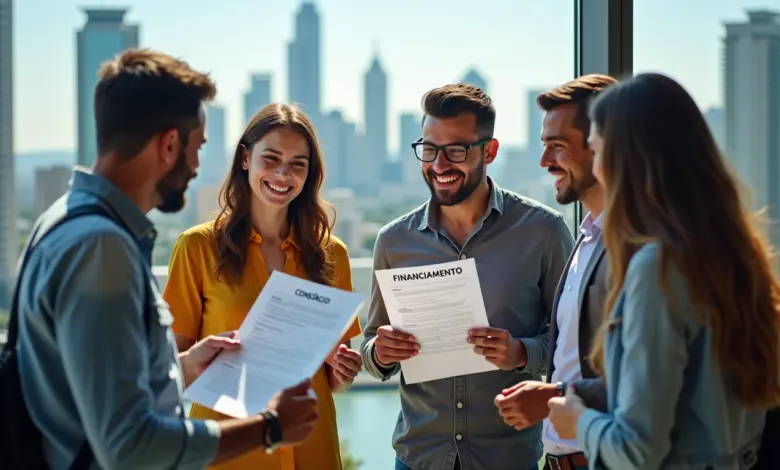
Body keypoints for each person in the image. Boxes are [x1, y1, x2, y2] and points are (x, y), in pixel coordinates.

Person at [15, 49, 319, 470]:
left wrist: (183, 369)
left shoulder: (63, 220)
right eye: (198, 148)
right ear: (170, 144)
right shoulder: (101, 249)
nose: (197, 167)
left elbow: (94, 387)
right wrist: (270, 428)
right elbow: (128, 446)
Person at [547, 73, 780, 469]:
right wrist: (577, 392)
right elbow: (698, 392)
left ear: (625, 161)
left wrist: (576, 420)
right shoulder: (732, 254)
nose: (597, 166)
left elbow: (636, 450)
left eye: (597, 149)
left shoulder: (657, 269)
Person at [361, 83, 574, 470]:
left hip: (508, 459)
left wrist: (522, 352)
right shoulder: (394, 241)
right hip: (417, 459)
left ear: (488, 151)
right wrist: (380, 351)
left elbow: (574, 343)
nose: (439, 165)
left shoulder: (543, 231)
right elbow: (372, 351)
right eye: (429, 149)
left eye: (456, 150)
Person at [163, 103, 363, 470]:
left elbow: (332, 380)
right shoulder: (197, 247)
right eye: (271, 158)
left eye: (297, 164)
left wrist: (343, 370)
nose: (283, 174)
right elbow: (168, 372)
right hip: (229, 453)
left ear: (309, 174)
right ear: (245, 158)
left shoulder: (333, 254)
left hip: (312, 450)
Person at [494, 74, 617, 470]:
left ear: (603, 145)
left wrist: (552, 396)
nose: (545, 161)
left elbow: (652, 383)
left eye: (557, 146)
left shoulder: (639, 250)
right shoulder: (585, 237)